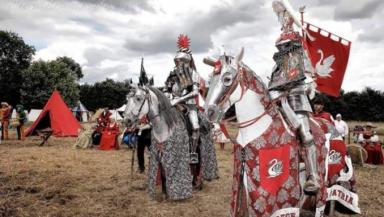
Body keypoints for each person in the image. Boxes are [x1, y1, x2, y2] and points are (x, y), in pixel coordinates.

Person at [268, 1, 320, 194]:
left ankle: (313, 177)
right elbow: (271, 86)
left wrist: (290, 91)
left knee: (306, 136)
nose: (284, 49)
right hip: (279, 106)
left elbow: (309, 85)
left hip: (298, 104)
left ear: (295, 44)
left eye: (287, 45)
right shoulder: (277, 66)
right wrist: (273, 94)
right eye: (281, 46)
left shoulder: (302, 59)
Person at [166, 34, 201, 164]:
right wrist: (170, 98)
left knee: (196, 127)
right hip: (173, 103)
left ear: (187, 61)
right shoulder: (172, 74)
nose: (179, 63)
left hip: (189, 105)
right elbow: (166, 88)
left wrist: (179, 100)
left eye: (182, 61)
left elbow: (195, 92)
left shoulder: (193, 74)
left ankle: (192, 152)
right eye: (177, 61)